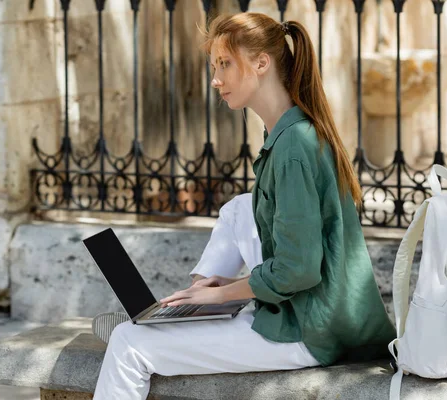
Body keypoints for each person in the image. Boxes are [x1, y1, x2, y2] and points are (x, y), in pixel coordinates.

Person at [91, 12, 395, 399]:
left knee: (127, 343)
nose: (216, 79)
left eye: (225, 64)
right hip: (308, 318)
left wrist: (223, 294)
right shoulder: (288, 133)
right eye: (214, 66)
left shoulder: (292, 148)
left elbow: (298, 269)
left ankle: (186, 312)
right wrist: (218, 288)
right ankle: (184, 309)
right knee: (239, 207)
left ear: (261, 63)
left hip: (307, 331)